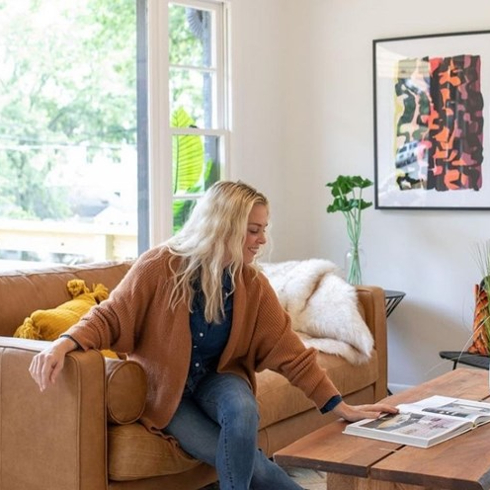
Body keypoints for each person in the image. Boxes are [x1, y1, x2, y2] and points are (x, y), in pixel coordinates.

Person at [29, 180, 397, 490]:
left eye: (264, 229)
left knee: (242, 408)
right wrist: (64, 343)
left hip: (217, 380)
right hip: (166, 392)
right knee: (257, 467)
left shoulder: (251, 282)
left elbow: (290, 351)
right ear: (224, 226)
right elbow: (110, 314)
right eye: (253, 230)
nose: (262, 240)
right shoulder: (160, 267)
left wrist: (339, 406)